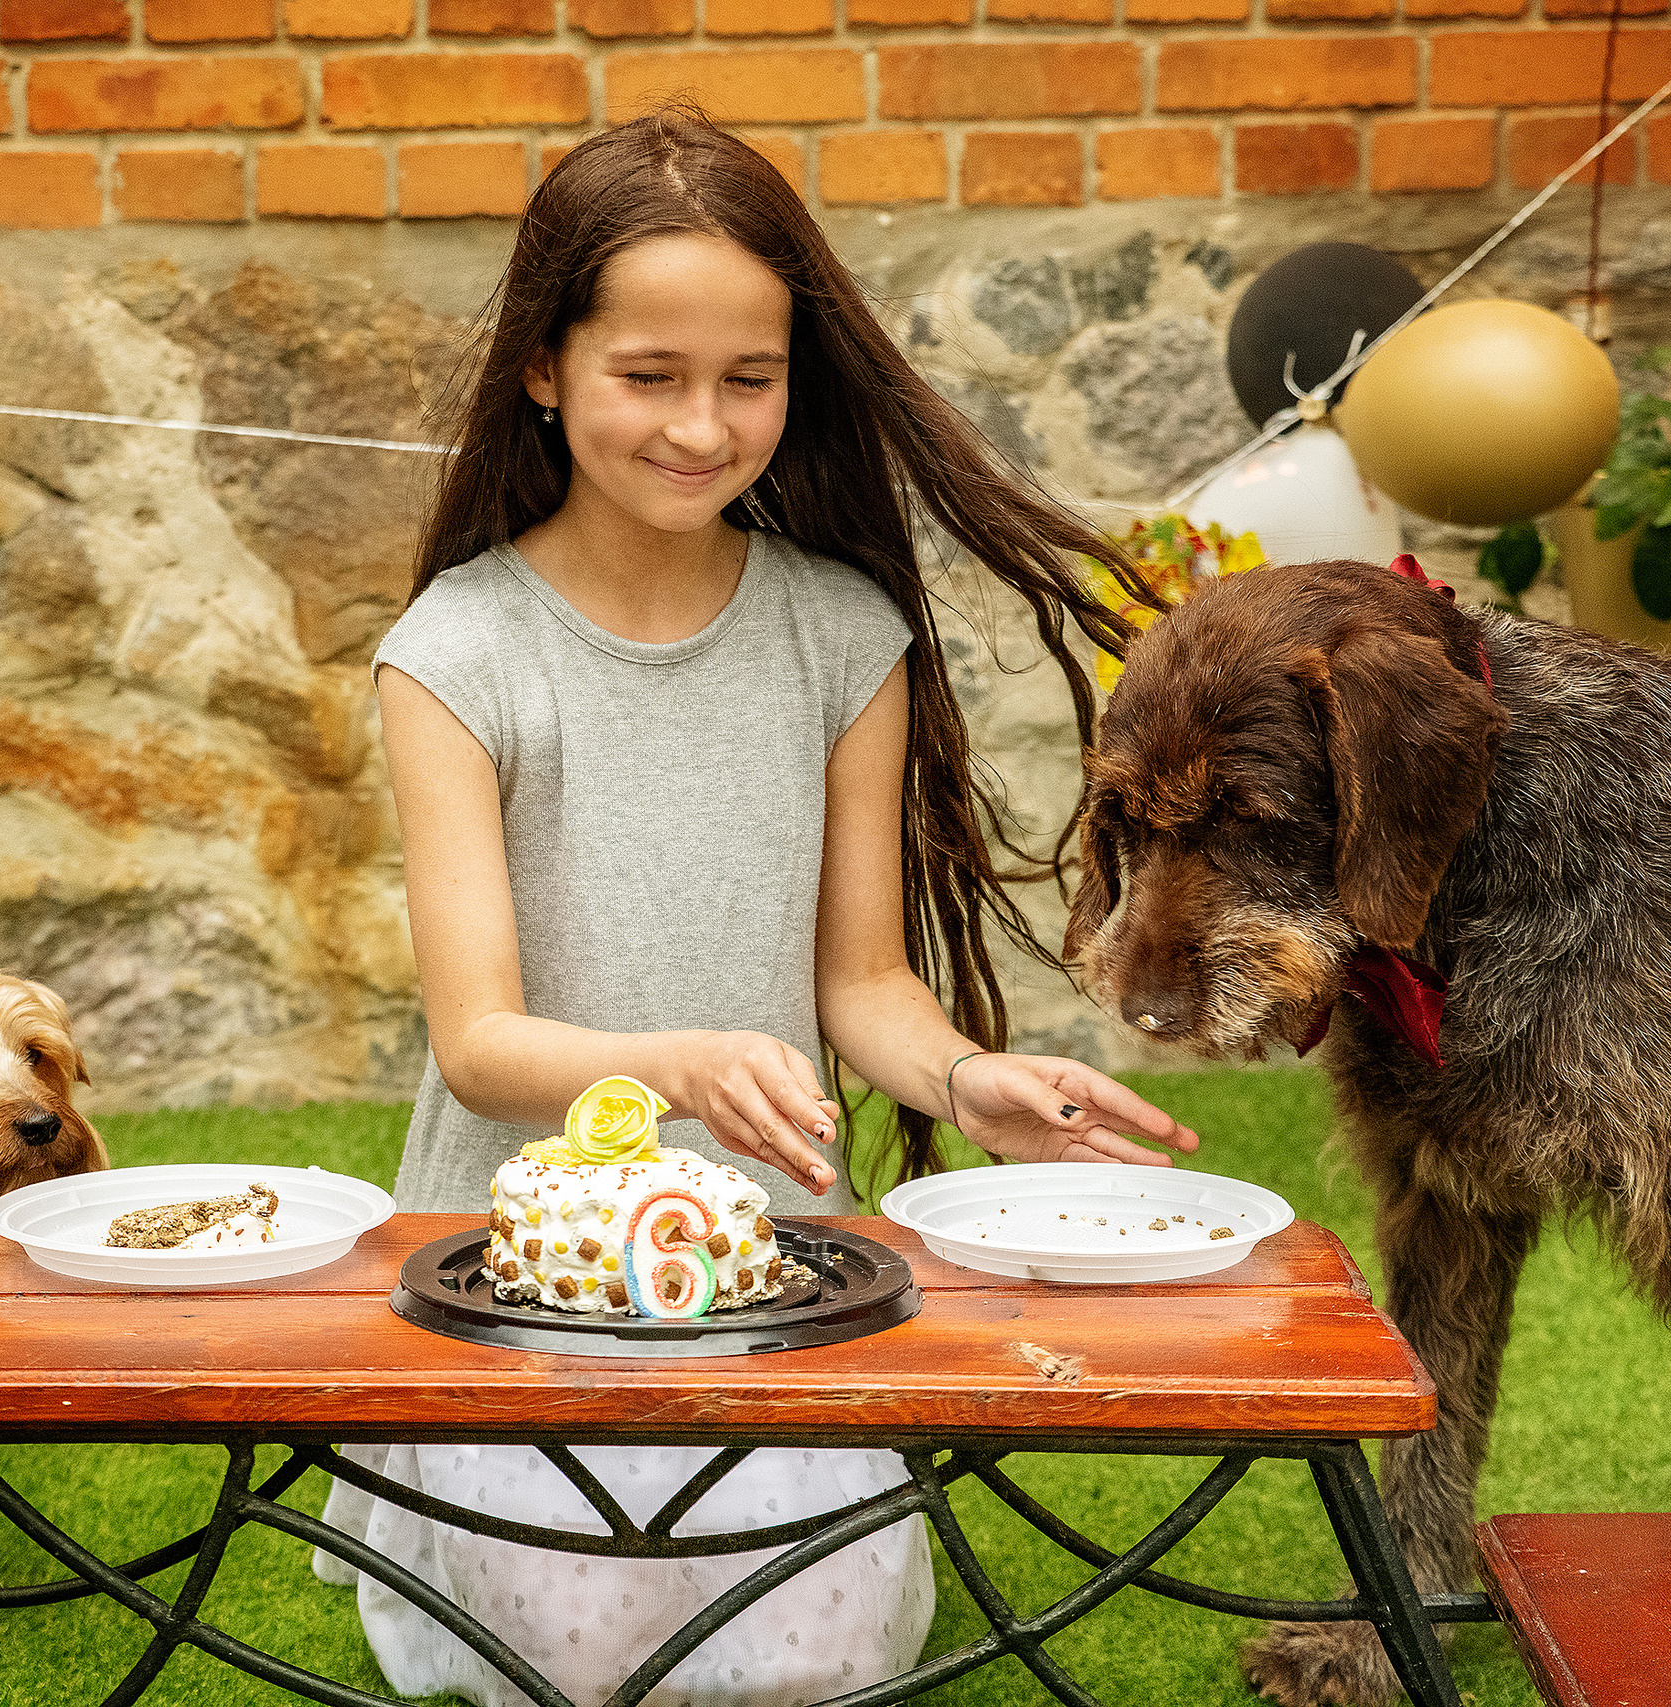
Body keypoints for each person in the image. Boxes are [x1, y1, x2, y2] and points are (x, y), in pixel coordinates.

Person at [314, 107, 1202, 1707]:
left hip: (779, 1275)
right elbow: (482, 1045)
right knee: (590, 1646)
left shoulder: (838, 631)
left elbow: (858, 982)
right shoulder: (459, 654)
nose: (702, 428)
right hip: (519, 1274)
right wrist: (682, 1064)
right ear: (545, 365)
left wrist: (959, 1079)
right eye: (648, 377)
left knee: (818, 1646)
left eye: (750, 379)